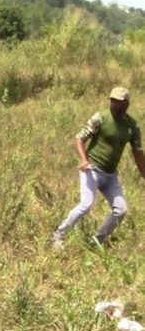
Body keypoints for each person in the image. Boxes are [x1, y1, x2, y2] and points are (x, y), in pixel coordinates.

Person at [52, 86, 145, 247]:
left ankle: (95, 242)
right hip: (92, 170)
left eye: (118, 102)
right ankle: (59, 234)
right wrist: (84, 160)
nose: (114, 105)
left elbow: (138, 153)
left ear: (126, 104)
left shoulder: (132, 127)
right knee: (85, 205)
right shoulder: (100, 118)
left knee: (121, 210)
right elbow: (79, 139)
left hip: (110, 175)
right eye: (113, 101)